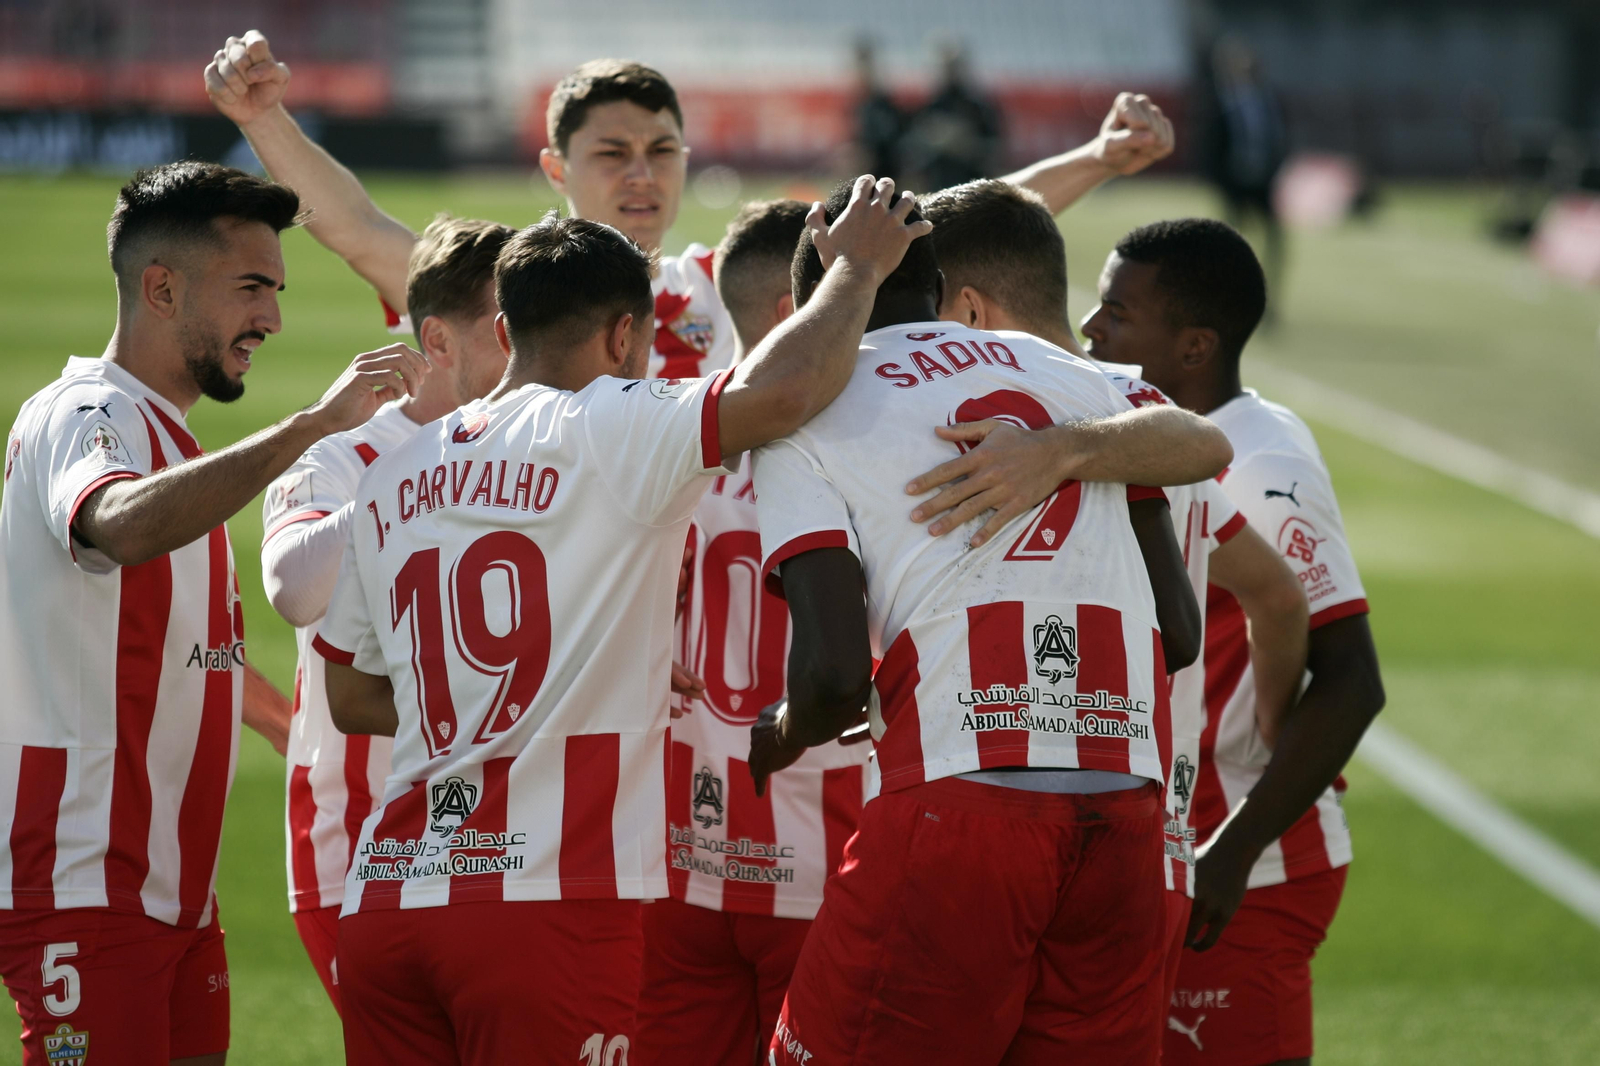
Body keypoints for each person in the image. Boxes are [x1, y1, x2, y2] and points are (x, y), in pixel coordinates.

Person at [310, 179, 930, 1064]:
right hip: (544, 897)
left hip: (385, 901)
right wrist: (859, 271)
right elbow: (788, 390)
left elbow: (352, 694)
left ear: (502, 331)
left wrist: (561, 672)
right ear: (625, 336)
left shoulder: (395, 473)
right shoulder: (614, 422)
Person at [749, 180, 1233, 1064]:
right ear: (941, 291)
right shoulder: (1072, 377)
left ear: (808, 306)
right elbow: (1178, 629)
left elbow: (828, 680)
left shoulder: (803, 411)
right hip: (1125, 816)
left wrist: (782, 730)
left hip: (957, 806)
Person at [0, 161, 432, 1066]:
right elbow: (112, 525)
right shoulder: (88, 414)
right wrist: (309, 429)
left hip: (172, 888)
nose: (271, 319)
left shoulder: (171, 440)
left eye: (274, 291)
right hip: (86, 877)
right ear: (161, 287)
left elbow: (186, 651)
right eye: (250, 289)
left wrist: (295, 728)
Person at [908, 178, 1312, 1042]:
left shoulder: (935, 424)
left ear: (967, 310)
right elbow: (1253, 599)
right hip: (1141, 837)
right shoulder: (1155, 425)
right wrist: (1259, 739)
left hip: (975, 816)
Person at [203, 29, 1176, 383]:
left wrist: (1097, 156)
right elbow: (359, 231)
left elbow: (937, 224)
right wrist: (265, 118)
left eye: (662, 150)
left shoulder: (720, 284)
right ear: (555, 165)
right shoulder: (504, 289)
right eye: (612, 153)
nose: (642, 174)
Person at [1077, 218, 1385, 1066]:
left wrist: (1235, 849)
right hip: (1169, 849)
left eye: (1117, 313)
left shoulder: (1259, 464)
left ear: (1194, 346)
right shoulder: (1152, 440)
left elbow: (1354, 680)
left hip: (1245, 866)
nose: (1091, 329)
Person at [260, 214, 515, 1013]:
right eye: (512, 328)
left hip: (511, 835)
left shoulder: (545, 440)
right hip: (365, 840)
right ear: (438, 342)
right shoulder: (344, 453)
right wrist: (428, 473)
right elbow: (295, 587)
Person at [640, 198, 874, 1066]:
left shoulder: (647, 435)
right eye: (854, 295)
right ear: (795, 310)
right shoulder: (861, 448)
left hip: (669, 859)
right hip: (831, 859)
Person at [1199, 38, 1288, 314]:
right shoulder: (1225, 102)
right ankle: (1227, 298)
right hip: (1234, 183)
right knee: (1231, 243)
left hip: (1262, 182)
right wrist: (1220, 182)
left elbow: (1278, 139)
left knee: (1274, 241)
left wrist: (1274, 170)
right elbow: (1211, 145)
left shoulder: (1269, 101)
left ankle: (1267, 300)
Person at [899, 42, 1002, 192]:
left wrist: (966, 143)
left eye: (954, 66)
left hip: (972, 185)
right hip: (937, 184)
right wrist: (933, 141)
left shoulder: (979, 107)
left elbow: (994, 147)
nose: (949, 71)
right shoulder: (930, 106)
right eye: (945, 66)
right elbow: (910, 148)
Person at [850, 38, 905, 186]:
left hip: (883, 169)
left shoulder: (882, 105)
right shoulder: (861, 104)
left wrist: (868, 152)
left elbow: (889, 136)